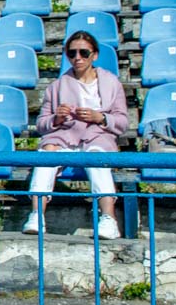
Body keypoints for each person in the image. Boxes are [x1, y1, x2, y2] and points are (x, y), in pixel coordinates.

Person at [23, 31, 129, 239]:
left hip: (97, 135)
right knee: (46, 154)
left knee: (96, 157)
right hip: (63, 137)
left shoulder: (111, 83)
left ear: (94, 55)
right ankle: (36, 214)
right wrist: (57, 119)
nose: (77, 58)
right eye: (72, 53)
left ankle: (108, 218)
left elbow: (123, 122)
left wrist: (100, 117)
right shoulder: (56, 87)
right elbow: (42, 125)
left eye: (84, 52)